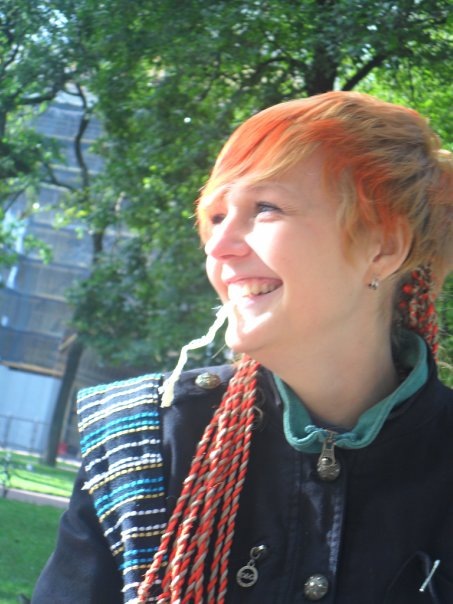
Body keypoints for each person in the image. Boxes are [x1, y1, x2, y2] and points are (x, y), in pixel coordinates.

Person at [32, 91, 453, 604]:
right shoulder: (144, 445)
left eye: (265, 207)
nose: (218, 246)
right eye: (215, 217)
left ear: (383, 246)